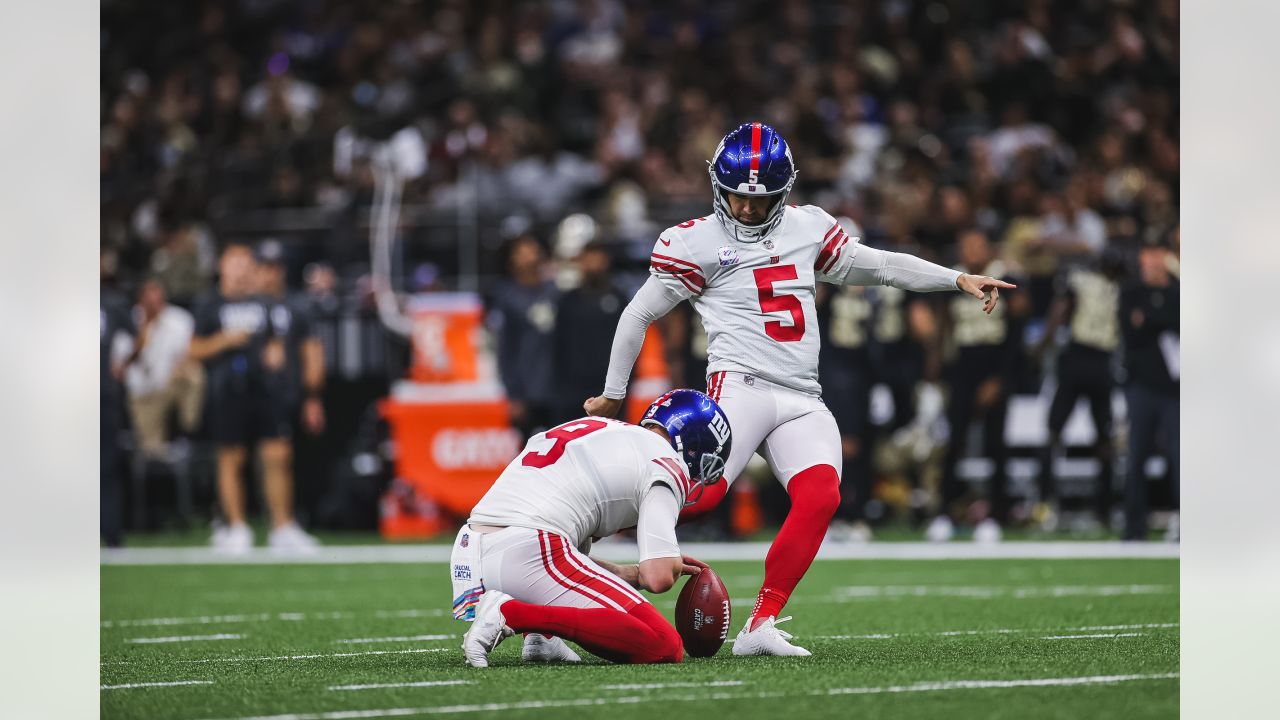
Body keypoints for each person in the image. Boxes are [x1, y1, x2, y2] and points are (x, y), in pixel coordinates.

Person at [584, 123, 1014, 656]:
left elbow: (880, 267)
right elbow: (638, 313)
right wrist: (612, 391)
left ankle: (760, 625)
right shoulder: (694, 241)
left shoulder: (808, 227)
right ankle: (569, 538)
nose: (745, 210)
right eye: (737, 196)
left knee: (820, 497)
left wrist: (957, 279)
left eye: (758, 201)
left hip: (802, 395)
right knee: (695, 499)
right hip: (739, 384)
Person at [454, 389, 730, 667]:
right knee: (663, 644)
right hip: (529, 549)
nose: (696, 479)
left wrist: (627, 574)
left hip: (471, 548)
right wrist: (663, 565)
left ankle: (541, 635)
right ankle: (511, 614)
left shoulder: (604, 433)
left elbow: (569, 549)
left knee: (570, 543)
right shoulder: (668, 462)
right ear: (693, 449)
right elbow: (658, 578)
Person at [189, 242, 317, 553]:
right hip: (226, 390)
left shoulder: (265, 303)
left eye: (246, 262)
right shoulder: (210, 305)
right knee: (231, 458)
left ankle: (282, 526)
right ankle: (235, 526)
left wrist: (275, 357)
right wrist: (225, 340)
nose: (242, 268)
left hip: (264, 390)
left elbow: (276, 342)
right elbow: (193, 349)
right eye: (235, 262)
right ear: (222, 266)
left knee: (277, 456)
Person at [1033, 251, 1126, 530]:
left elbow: (1061, 311)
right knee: (1100, 440)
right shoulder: (1112, 286)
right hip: (1095, 360)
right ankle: (1102, 508)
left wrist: (1043, 343)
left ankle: (1049, 502)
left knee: (1060, 433)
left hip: (1085, 359)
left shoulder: (1085, 281)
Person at [1119, 236, 1179, 541]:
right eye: (1148, 256)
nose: (1153, 262)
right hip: (1141, 386)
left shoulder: (1178, 291)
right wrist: (1161, 321)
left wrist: (1150, 319)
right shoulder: (1131, 291)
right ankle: (1133, 527)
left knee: (1181, 457)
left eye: (1158, 255)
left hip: (1175, 389)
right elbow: (1130, 332)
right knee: (1137, 455)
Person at [489, 234, 559, 439]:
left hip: (558, 387)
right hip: (527, 389)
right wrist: (513, 394)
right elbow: (504, 348)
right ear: (512, 259)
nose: (529, 257)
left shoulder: (555, 292)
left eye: (533, 250)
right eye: (522, 252)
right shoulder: (507, 296)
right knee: (531, 455)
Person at [124, 279, 203, 458]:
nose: (154, 300)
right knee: (152, 453)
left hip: (169, 385)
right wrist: (140, 341)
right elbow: (121, 365)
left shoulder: (179, 319)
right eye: (149, 295)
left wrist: (182, 364)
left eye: (158, 294)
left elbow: (189, 352)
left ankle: (189, 431)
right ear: (140, 298)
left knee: (194, 373)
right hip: (142, 393)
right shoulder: (129, 319)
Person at [550, 242, 627, 424]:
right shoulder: (567, 302)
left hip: (610, 387)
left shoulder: (618, 299)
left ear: (607, 262)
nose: (594, 265)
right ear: (581, 262)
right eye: (589, 259)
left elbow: (628, 342)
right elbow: (558, 346)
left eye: (598, 259)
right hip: (572, 389)